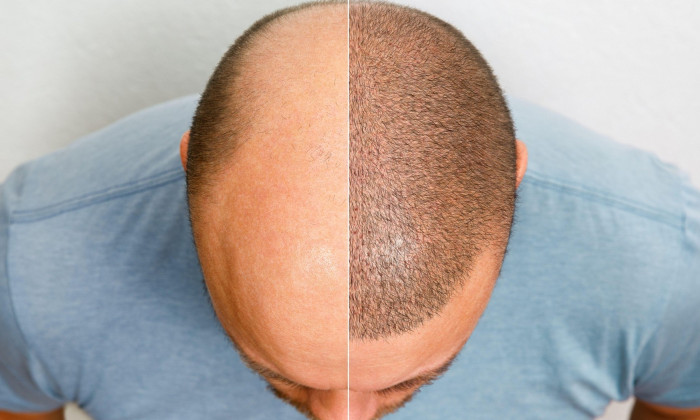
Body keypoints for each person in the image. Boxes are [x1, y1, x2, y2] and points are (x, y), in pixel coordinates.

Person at [1, 1, 699, 420]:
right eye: (282, 374)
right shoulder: (31, 265)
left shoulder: (664, 259)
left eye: (405, 381)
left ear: (514, 187)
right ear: (191, 176)